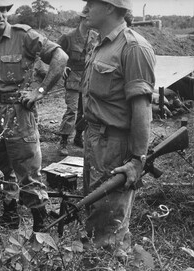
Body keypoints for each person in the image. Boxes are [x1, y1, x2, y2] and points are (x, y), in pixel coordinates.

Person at [0, 0, 68, 231]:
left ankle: (41, 220)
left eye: (3, 10)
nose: (0, 15)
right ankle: (9, 214)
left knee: (27, 166)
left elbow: (61, 57)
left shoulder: (23, 35)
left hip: (18, 111)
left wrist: (40, 90)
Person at [81, 0, 155, 250]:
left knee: (108, 226)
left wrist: (136, 160)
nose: (85, 8)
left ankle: (106, 261)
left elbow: (142, 108)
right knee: (98, 212)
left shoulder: (133, 47)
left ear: (111, 7)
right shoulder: (100, 44)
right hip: (95, 141)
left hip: (115, 146)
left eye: (92, 3)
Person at [57, 8, 95, 155]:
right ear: (82, 19)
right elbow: (57, 54)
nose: (89, 21)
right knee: (71, 110)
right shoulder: (68, 36)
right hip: (73, 77)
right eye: (87, 19)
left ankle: (78, 137)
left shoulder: (95, 37)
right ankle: (63, 141)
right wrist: (63, 67)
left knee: (85, 110)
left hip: (88, 77)